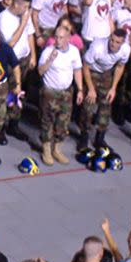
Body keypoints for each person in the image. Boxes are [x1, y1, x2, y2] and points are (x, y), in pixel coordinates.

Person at [37, 25, 83, 165]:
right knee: (47, 121)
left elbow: (77, 70)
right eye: (56, 37)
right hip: (50, 92)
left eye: (61, 37)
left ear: (68, 38)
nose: (57, 40)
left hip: (66, 92)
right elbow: (40, 71)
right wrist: (50, 60)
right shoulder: (48, 51)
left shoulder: (74, 51)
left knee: (63, 122)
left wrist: (80, 89)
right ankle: (46, 149)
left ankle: (57, 149)